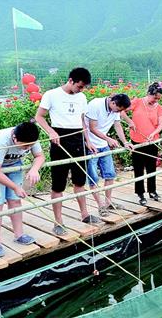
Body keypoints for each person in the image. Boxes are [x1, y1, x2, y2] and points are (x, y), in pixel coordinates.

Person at [35, 67, 100, 236]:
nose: (81, 90)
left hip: (78, 139)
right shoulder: (51, 94)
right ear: (71, 80)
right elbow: (39, 117)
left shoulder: (82, 97)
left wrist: (88, 141)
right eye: (79, 86)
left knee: (80, 180)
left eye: (83, 87)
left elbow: (82, 121)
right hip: (59, 138)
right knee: (58, 183)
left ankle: (84, 214)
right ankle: (58, 221)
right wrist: (51, 132)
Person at [0, 122, 45, 258]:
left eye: (30, 146)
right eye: (25, 146)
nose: (27, 148)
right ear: (14, 138)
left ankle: (19, 235)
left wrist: (34, 169)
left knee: (15, 201)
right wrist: (15, 187)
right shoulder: (1, 141)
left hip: (14, 164)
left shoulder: (31, 138)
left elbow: (40, 156)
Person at [85, 94, 133, 217]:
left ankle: (108, 202)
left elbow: (117, 125)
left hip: (103, 144)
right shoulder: (96, 104)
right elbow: (92, 128)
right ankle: (101, 206)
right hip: (90, 145)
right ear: (113, 103)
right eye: (119, 109)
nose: (119, 112)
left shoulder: (116, 109)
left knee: (110, 174)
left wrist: (125, 142)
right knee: (93, 178)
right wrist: (109, 139)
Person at [124, 82, 162, 205]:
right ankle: (140, 193)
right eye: (155, 97)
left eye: (158, 99)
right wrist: (130, 121)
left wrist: (154, 133)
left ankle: (152, 191)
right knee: (138, 167)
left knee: (151, 167)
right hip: (137, 141)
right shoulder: (137, 102)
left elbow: (161, 124)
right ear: (149, 94)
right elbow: (121, 111)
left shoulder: (159, 107)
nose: (156, 100)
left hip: (152, 141)